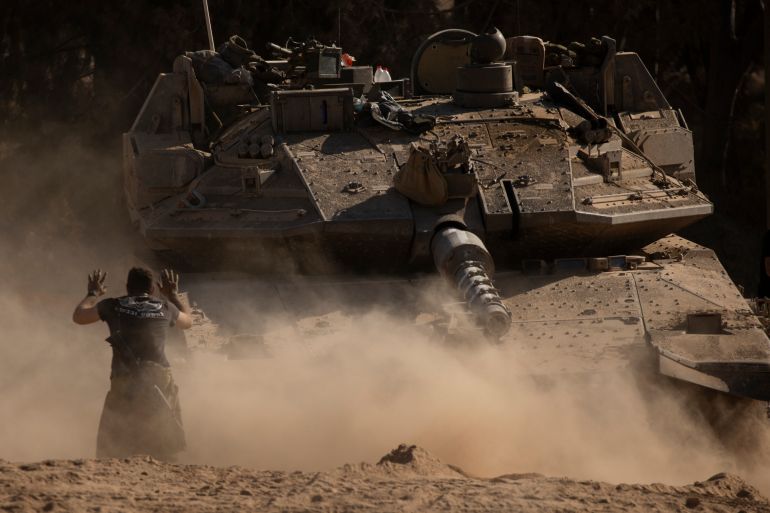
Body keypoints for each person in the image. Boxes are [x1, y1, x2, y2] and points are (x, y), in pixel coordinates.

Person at [72, 267, 193, 460]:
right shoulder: (165, 307)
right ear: (153, 289)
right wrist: (173, 295)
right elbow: (188, 322)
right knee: (164, 437)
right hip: (159, 377)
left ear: (127, 287)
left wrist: (92, 293)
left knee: (115, 443)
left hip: (125, 377)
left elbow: (79, 316)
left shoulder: (111, 305)